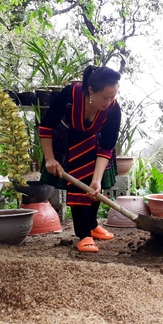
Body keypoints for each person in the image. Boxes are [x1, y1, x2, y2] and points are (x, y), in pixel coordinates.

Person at [39, 66, 121, 253]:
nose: (109, 102)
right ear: (91, 90)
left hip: (96, 146)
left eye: (112, 96)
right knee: (78, 182)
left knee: (95, 186)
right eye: (105, 97)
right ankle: (84, 235)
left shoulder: (113, 109)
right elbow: (46, 127)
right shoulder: (70, 95)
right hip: (68, 143)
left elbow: (107, 146)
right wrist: (49, 158)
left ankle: (92, 225)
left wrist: (97, 179)